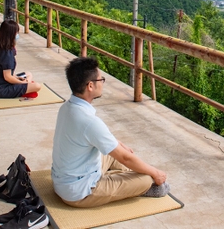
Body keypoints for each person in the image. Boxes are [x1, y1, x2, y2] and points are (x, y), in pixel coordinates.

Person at [51, 57, 169, 208]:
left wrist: (117, 144)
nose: (103, 83)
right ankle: (137, 184)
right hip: (80, 192)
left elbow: (107, 144)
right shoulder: (89, 122)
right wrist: (156, 173)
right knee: (147, 179)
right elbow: (126, 158)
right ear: (90, 86)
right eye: (101, 80)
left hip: (64, 180)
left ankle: (129, 179)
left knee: (115, 152)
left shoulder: (67, 107)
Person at [0, 20, 42, 98]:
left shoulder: (1, 46)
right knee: (37, 86)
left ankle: (26, 85)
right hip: (1, 89)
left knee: (28, 74)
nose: (17, 35)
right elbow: (7, 77)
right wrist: (22, 83)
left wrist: (17, 78)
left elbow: (9, 73)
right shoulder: (6, 53)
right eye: (16, 33)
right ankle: (26, 86)